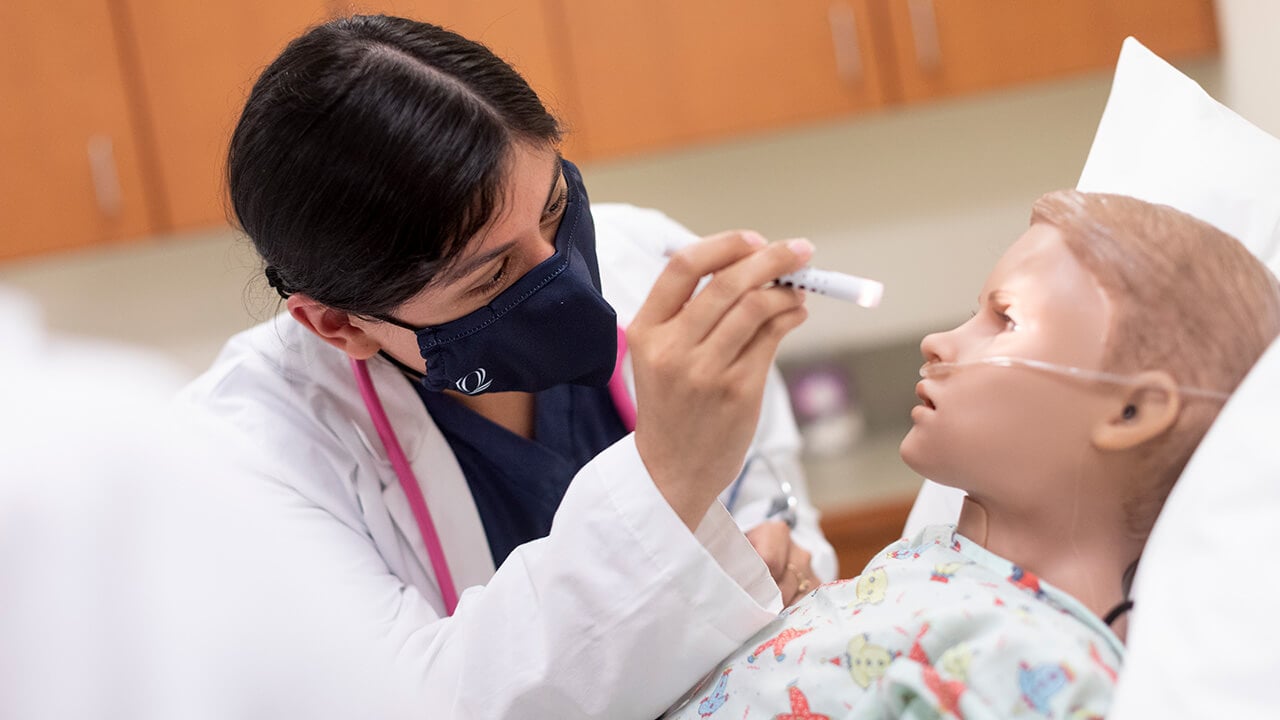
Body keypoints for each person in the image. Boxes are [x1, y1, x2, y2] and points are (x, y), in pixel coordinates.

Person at [179, 14, 836, 718]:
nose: (563, 273)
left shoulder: (645, 259)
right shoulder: (240, 461)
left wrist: (785, 552)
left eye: (556, 206)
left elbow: (770, 491)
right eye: (491, 275)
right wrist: (667, 482)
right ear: (339, 324)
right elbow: (415, 701)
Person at [661, 190, 1280, 718]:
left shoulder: (1037, 668)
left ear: (1132, 413)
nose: (939, 342)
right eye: (970, 313)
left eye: (1004, 319)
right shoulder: (931, 566)